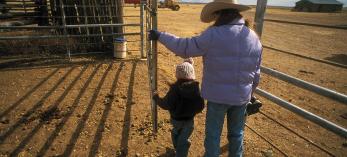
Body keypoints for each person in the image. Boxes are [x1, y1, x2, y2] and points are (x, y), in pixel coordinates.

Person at [149, 0, 262, 156]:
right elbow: (256, 73)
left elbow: (185, 47)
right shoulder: (253, 36)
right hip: (242, 98)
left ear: (220, 13)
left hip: (218, 98)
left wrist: (160, 36)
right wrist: (250, 93)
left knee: (213, 136)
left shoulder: (214, 34)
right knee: (237, 135)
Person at [153, 58, 205, 157]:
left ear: (178, 76)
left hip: (176, 120)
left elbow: (166, 104)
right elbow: (201, 106)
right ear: (192, 75)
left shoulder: (174, 89)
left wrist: (156, 98)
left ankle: (181, 152)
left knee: (176, 134)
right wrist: (194, 111)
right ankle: (181, 147)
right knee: (183, 137)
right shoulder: (196, 89)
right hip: (190, 120)